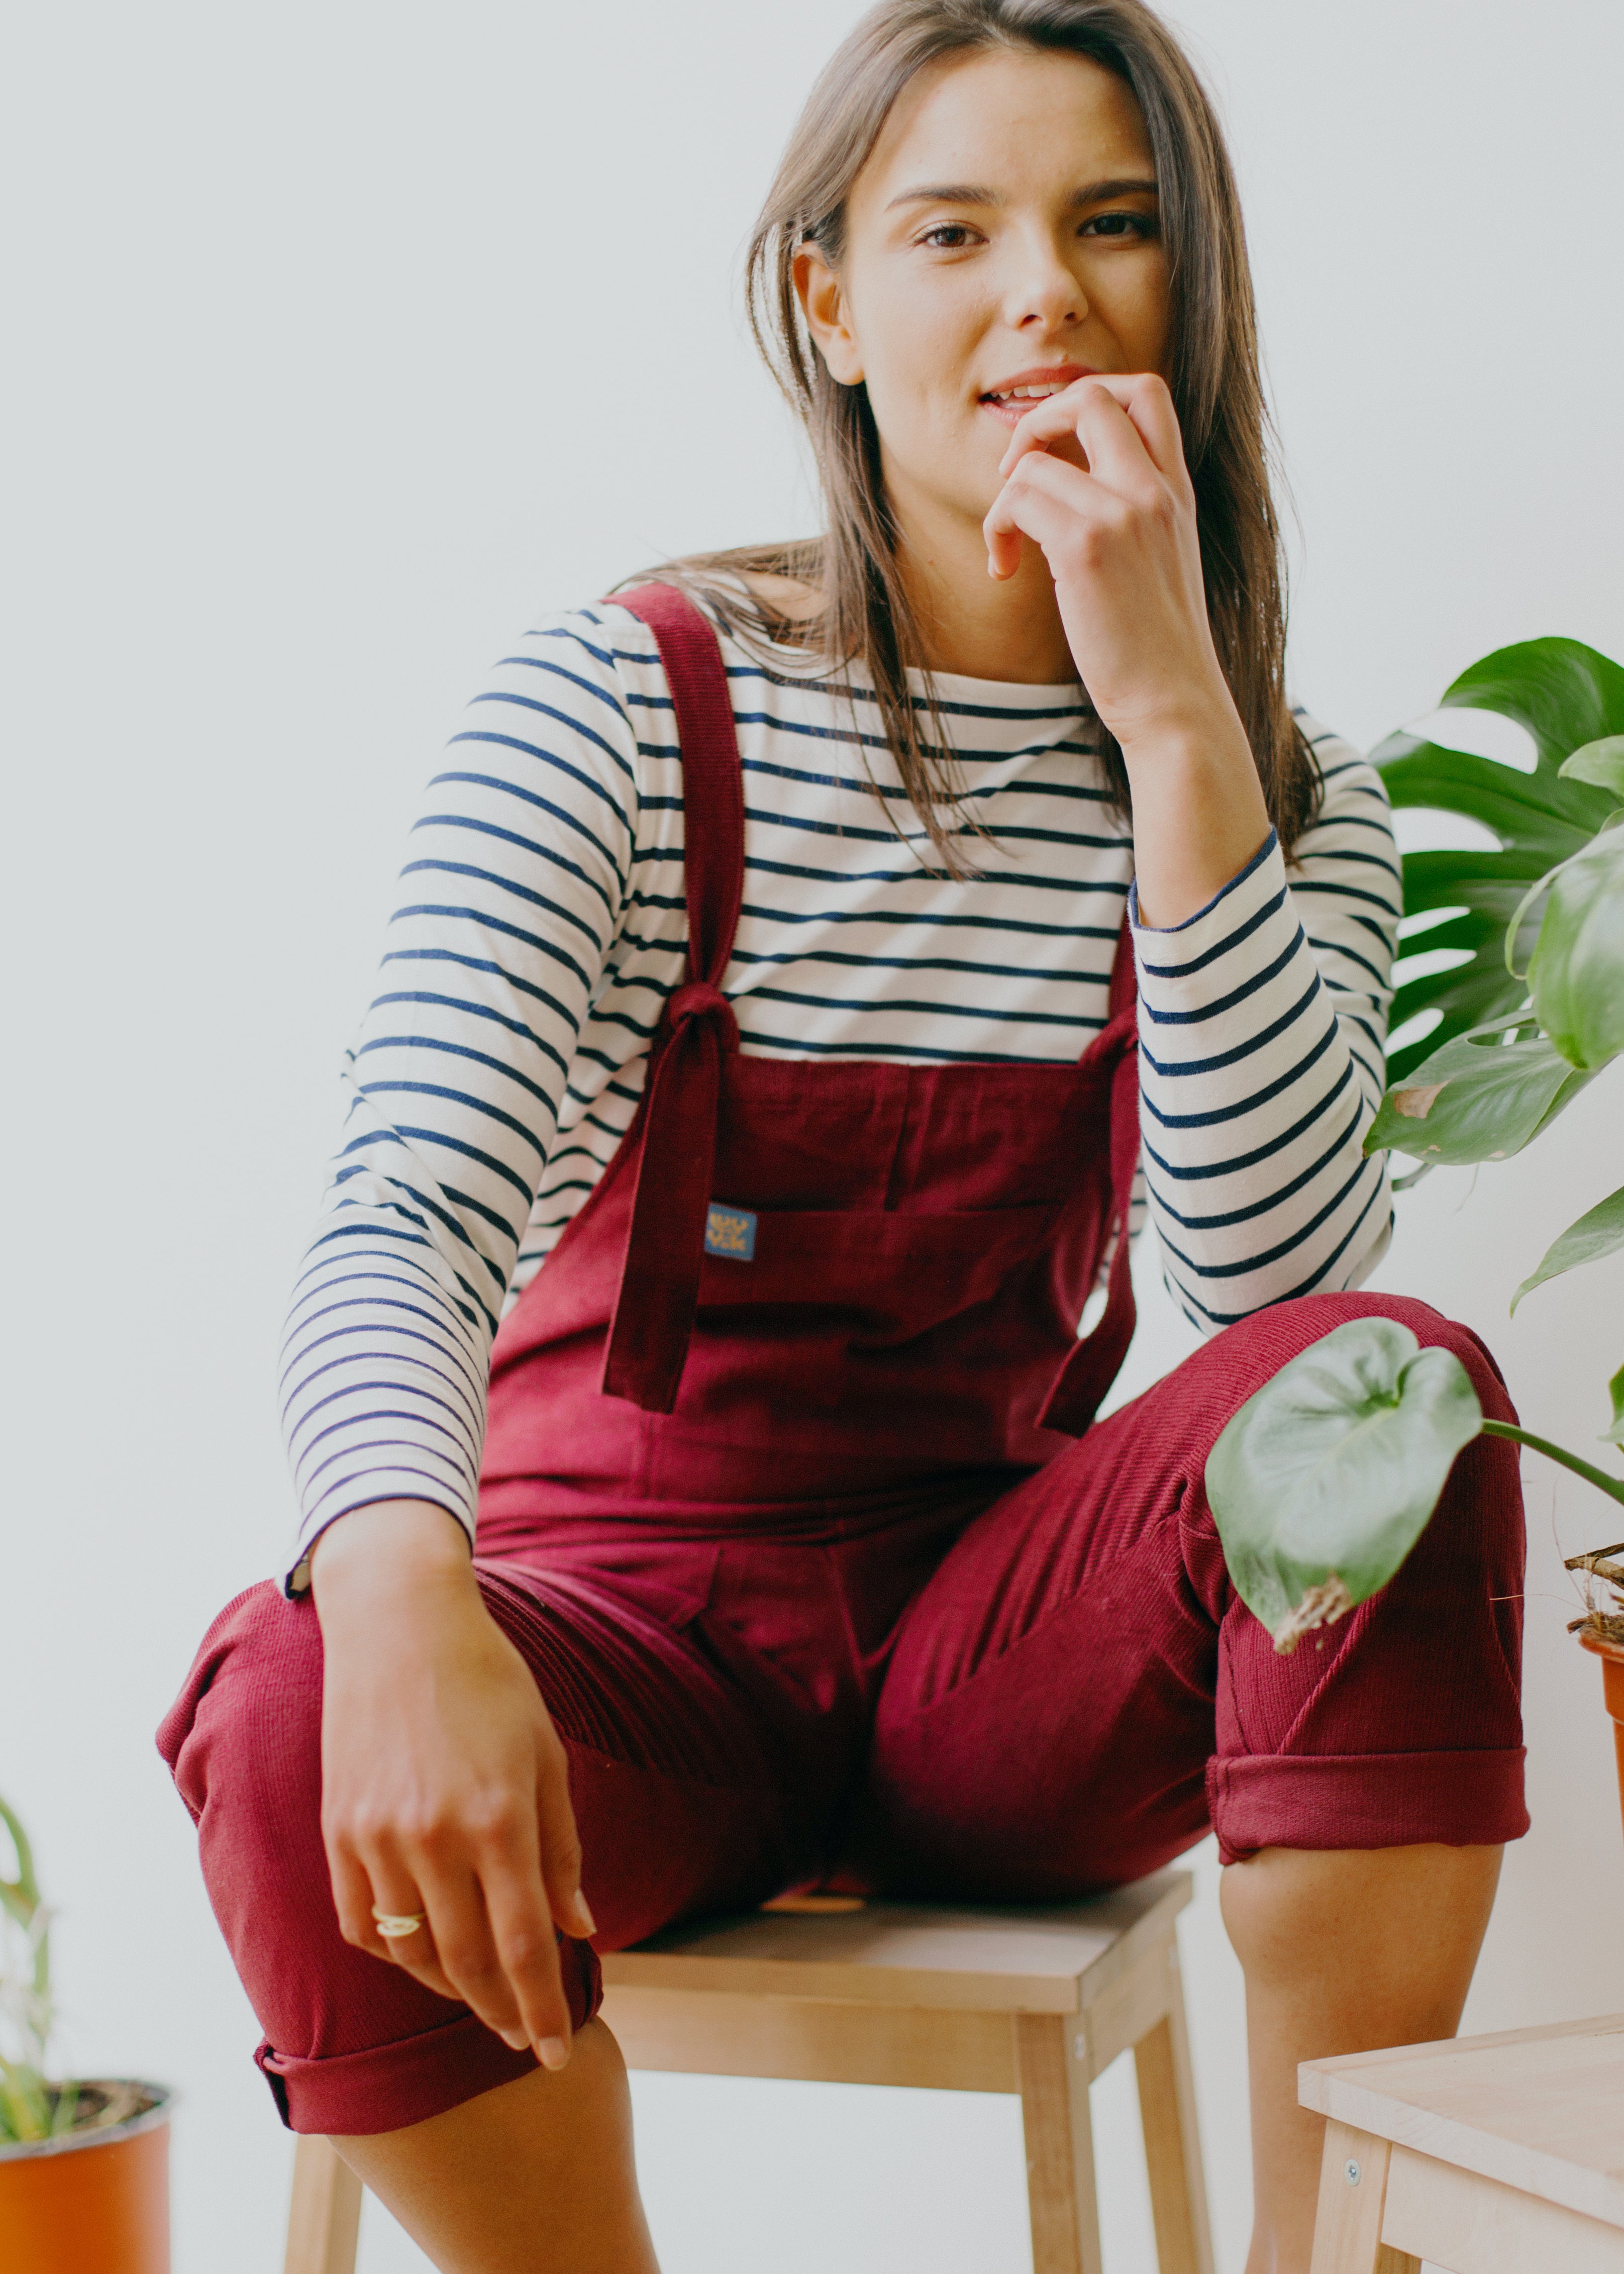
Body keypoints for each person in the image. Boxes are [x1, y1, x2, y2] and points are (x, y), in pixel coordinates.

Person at [158, 5, 1528, 2269]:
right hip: (620, 1664)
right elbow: (402, 1212)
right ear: (829, 299)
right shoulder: (622, 704)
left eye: (1114, 226)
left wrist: (1176, 720)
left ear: (1193, 284)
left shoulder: (1286, 791)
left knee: (1394, 1396)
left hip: (993, 1669)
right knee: (293, 1682)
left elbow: (1275, 1325)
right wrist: (395, 1597)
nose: (1044, 296)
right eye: (953, 232)